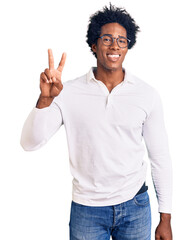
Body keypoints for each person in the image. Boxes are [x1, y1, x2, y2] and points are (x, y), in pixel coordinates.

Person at [21, 3, 173, 240]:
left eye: (122, 40)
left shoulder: (147, 94)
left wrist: (166, 218)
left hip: (135, 206)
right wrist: (45, 99)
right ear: (94, 44)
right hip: (87, 209)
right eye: (107, 39)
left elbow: (160, 157)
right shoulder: (68, 92)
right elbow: (29, 143)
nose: (115, 46)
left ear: (128, 46)